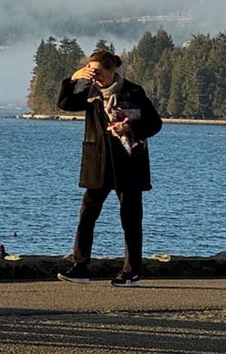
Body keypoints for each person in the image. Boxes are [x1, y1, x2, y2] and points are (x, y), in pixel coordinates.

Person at [56, 50, 163, 288]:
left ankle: (132, 271)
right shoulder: (90, 94)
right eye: (90, 72)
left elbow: (155, 124)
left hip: (129, 163)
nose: (95, 77)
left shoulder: (133, 92)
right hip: (98, 164)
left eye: (98, 72)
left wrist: (130, 129)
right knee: (87, 214)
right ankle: (80, 267)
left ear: (112, 69)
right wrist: (72, 79)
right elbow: (64, 103)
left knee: (131, 218)